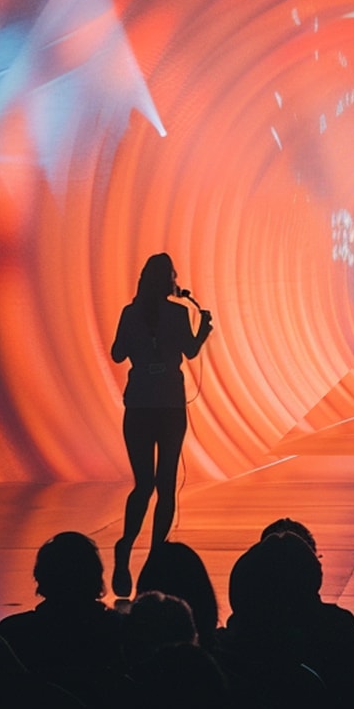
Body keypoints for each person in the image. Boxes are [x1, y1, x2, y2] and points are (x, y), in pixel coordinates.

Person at [111, 253, 212, 598]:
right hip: (170, 405)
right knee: (166, 484)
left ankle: (126, 544)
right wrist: (204, 330)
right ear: (169, 280)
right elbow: (191, 351)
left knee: (143, 484)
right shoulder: (179, 313)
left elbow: (117, 354)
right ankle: (154, 558)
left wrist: (139, 345)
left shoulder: (130, 313)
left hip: (139, 405)